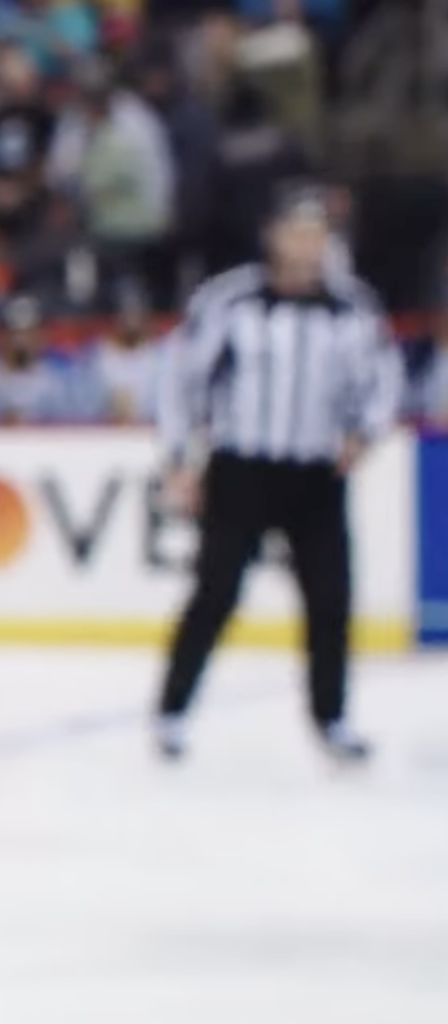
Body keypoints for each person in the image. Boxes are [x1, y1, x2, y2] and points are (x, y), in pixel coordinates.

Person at [152, 186, 398, 765]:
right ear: (273, 235)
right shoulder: (231, 301)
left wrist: (363, 434)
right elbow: (179, 380)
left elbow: (381, 382)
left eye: (319, 232)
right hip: (243, 467)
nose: (309, 243)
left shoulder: (354, 308)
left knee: (330, 598)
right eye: (297, 229)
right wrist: (179, 460)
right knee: (216, 591)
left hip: (314, 472)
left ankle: (331, 719)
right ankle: (173, 710)